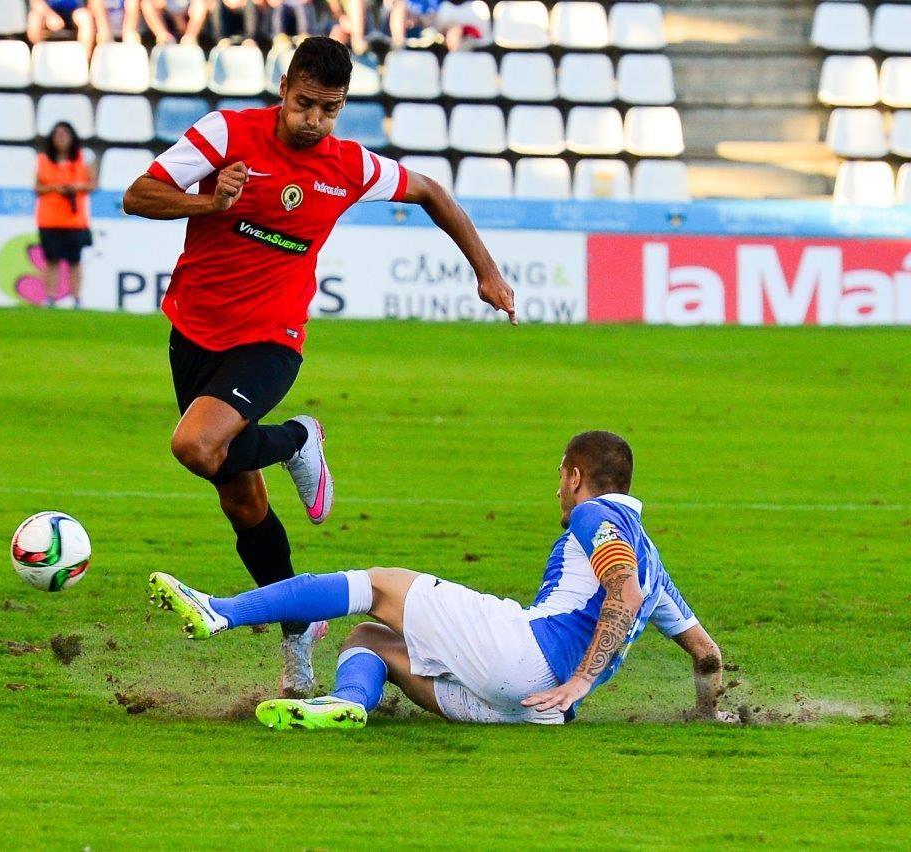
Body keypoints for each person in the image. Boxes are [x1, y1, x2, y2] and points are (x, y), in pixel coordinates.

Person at [121, 37, 514, 696]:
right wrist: (210, 204)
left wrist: (486, 270)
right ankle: (298, 630)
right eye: (305, 104)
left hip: (271, 338)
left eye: (329, 110)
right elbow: (138, 195)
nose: (314, 122)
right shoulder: (226, 133)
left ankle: (299, 437)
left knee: (195, 445)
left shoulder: (348, 164)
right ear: (284, 89)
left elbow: (430, 191)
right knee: (239, 496)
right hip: (194, 333)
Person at [148, 431, 739, 729]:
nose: (558, 488)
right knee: (368, 640)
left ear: (577, 475)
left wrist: (582, 679)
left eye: (561, 476)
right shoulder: (657, 562)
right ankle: (346, 704)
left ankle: (220, 609)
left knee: (380, 586)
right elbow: (707, 657)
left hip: (529, 660)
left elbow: (622, 591)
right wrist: (707, 715)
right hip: (529, 713)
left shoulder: (595, 514)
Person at [34, 122, 97, 308]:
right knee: (51, 260)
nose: (61, 137)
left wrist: (76, 187)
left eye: (65, 133)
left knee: (75, 261)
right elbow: (37, 187)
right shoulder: (44, 159)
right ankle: (50, 298)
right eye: (57, 134)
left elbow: (93, 184)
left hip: (75, 219)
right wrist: (54, 188)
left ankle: (76, 298)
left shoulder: (83, 159)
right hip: (49, 218)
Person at [27, 0, 95, 55]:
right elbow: (36, 2)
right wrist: (49, 15)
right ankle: (39, 58)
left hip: (75, 14)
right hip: (49, 14)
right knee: (34, 18)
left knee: (85, 17)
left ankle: (83, 61)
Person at [141, 0, 211, 44]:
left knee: (200, 6)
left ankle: (189, 38)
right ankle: (164, 38)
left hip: (188, 18)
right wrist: (177, 18)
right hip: (168, 16)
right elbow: (159, 3)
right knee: (147, 4)